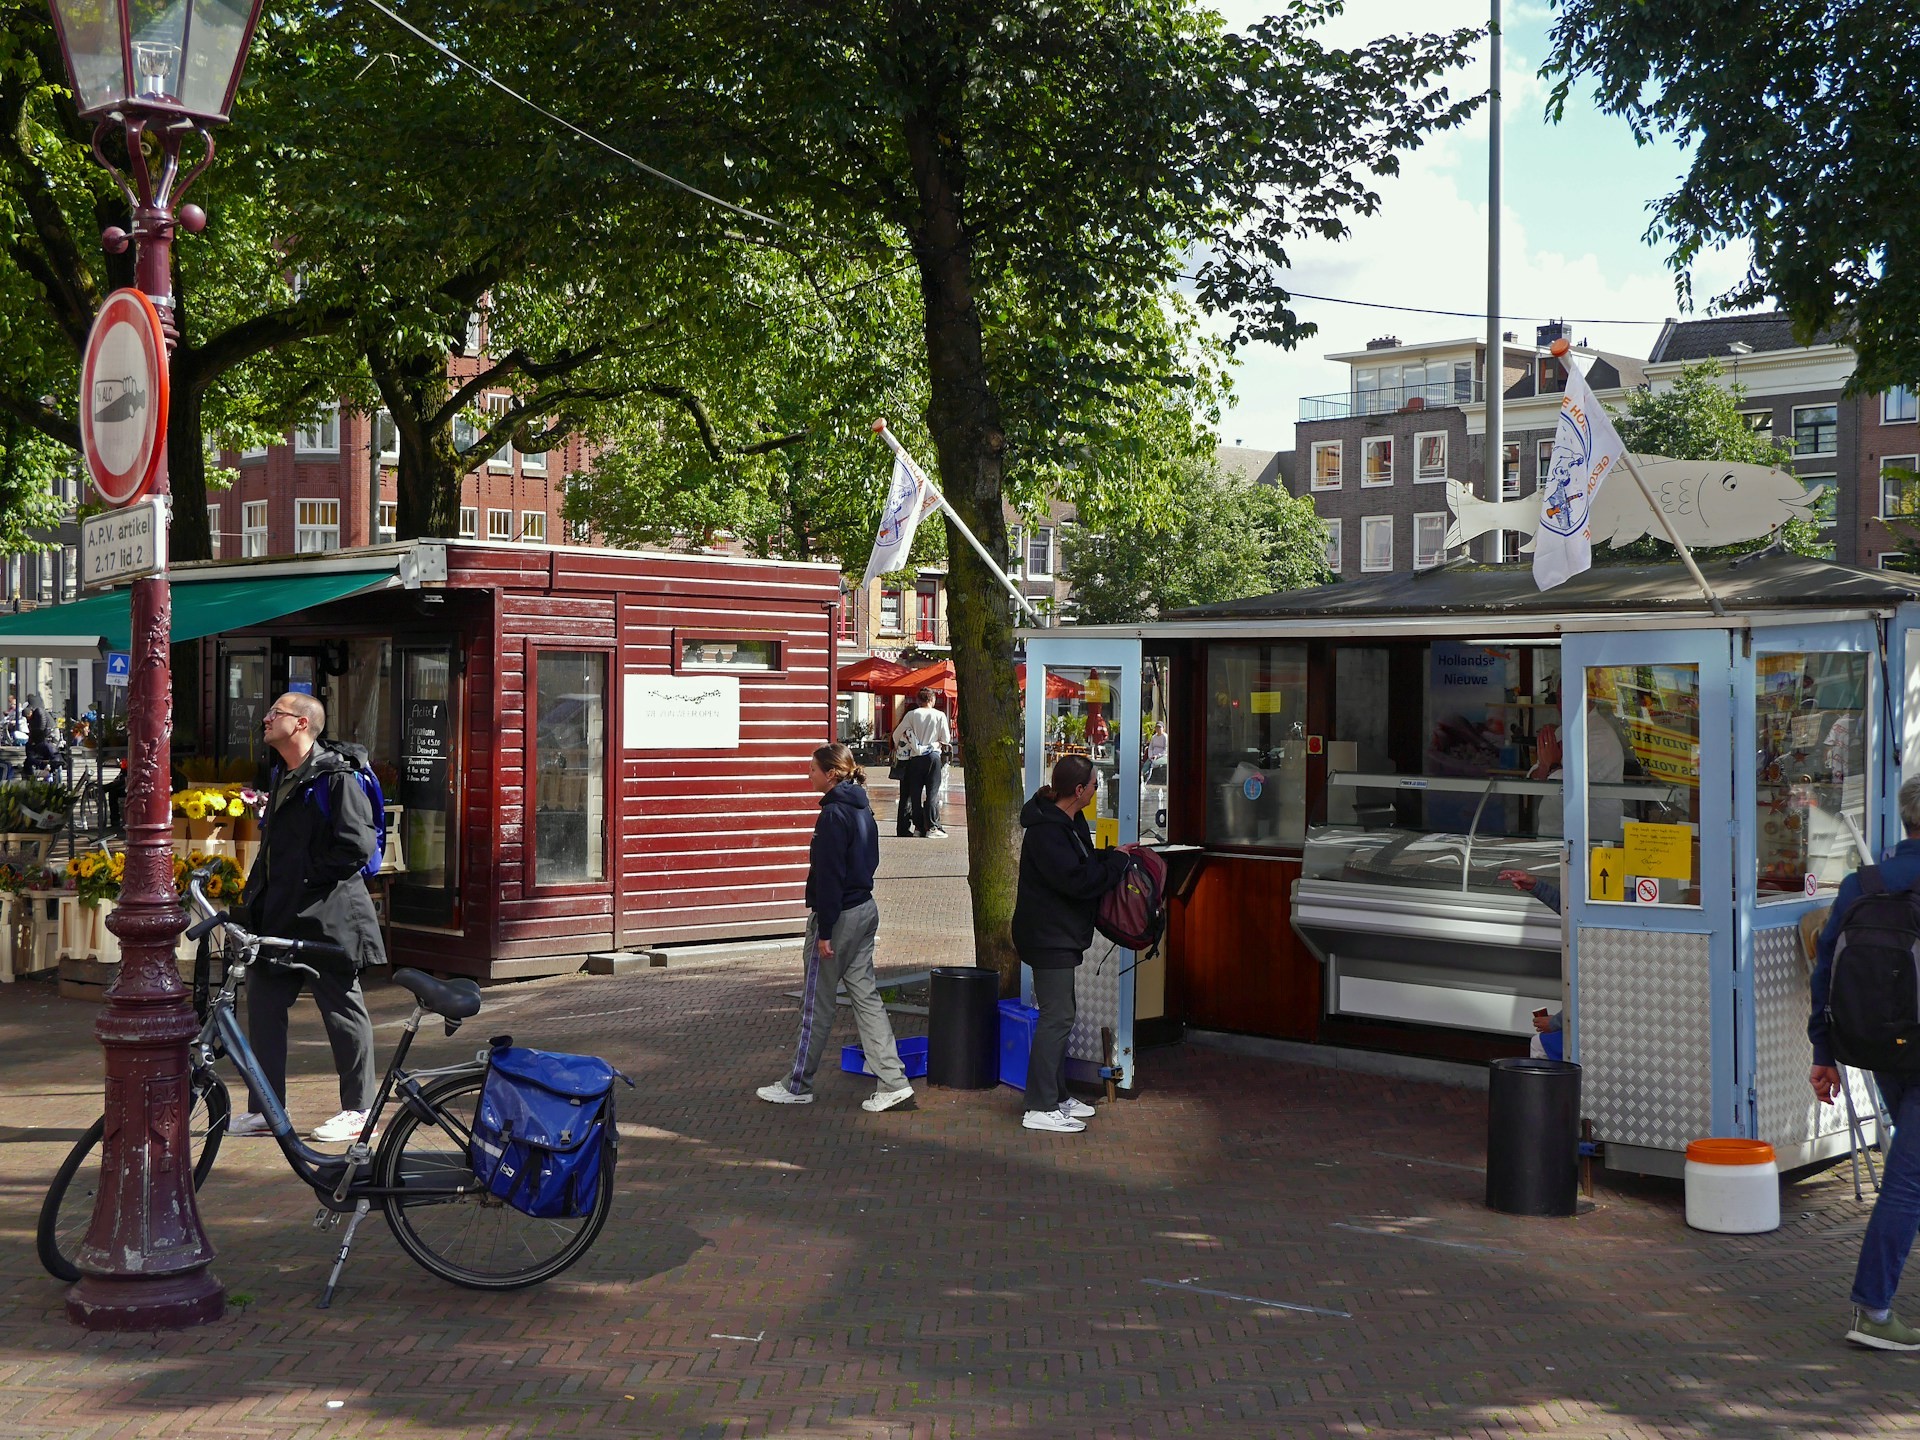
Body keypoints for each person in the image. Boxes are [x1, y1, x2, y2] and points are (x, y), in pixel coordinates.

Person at [229, 692, 386, 1144]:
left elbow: (356, 846)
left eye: (275, 713)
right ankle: (266, 1108)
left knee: (342, 1011)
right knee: (263, 1006)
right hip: (278, 916)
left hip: (329, 918)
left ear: (300, 724)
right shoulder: (283, 774)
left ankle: (359, 1111)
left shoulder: (336, 777)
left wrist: (306, 879)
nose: (265, 718)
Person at [1810, 774, 1920, 1351]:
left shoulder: (1863, 883)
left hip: (1882, 1047)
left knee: (1912, 1168)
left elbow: (1825, 967)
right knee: (1907, 1181)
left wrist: (1823, 1051)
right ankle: (1872, 1310)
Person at [758, 744, 914, 1112]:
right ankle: (893, 1082)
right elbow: (868, 860)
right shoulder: (862, 807)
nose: (808, 775)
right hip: (864, 908)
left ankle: (797, 1084)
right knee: (866, 997)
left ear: (830, 773)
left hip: (839, 915)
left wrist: (825, 930)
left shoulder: (832, 816)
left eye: (812, 769)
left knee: (817, 1002)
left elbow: (828, 877)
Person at [1012, 753, 1129, 1134]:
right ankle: (1039, 1105)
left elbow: (1085, 862)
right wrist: (1115, 868)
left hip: (1057, 933)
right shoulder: (1047, 832)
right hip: (1047, 936)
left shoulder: (1069, 821)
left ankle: (1057, 1095)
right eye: (1095, 784)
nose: (1097, 790)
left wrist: (1113, 857)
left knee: (1063, 1014)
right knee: (1057, 1016)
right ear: (1079, 790)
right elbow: (1077, 881)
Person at [891, 688, 952, 839]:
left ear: (919, 700)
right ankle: (932, 826)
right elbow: (946, 739)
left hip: (915, 759)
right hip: (933, 757)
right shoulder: (939, 715)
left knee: (915, 794)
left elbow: (896, 734)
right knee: (932, 793)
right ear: (932, 699)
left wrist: (903, 746)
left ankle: (918, 827)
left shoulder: (912, 715)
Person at [22, 694, 56, 777]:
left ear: (30, 712)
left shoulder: (38, 712)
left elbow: (42, 725)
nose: (28, 718)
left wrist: (37, 737)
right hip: (41, 736)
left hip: (49, 732)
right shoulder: (33, 716)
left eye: (28, 716)